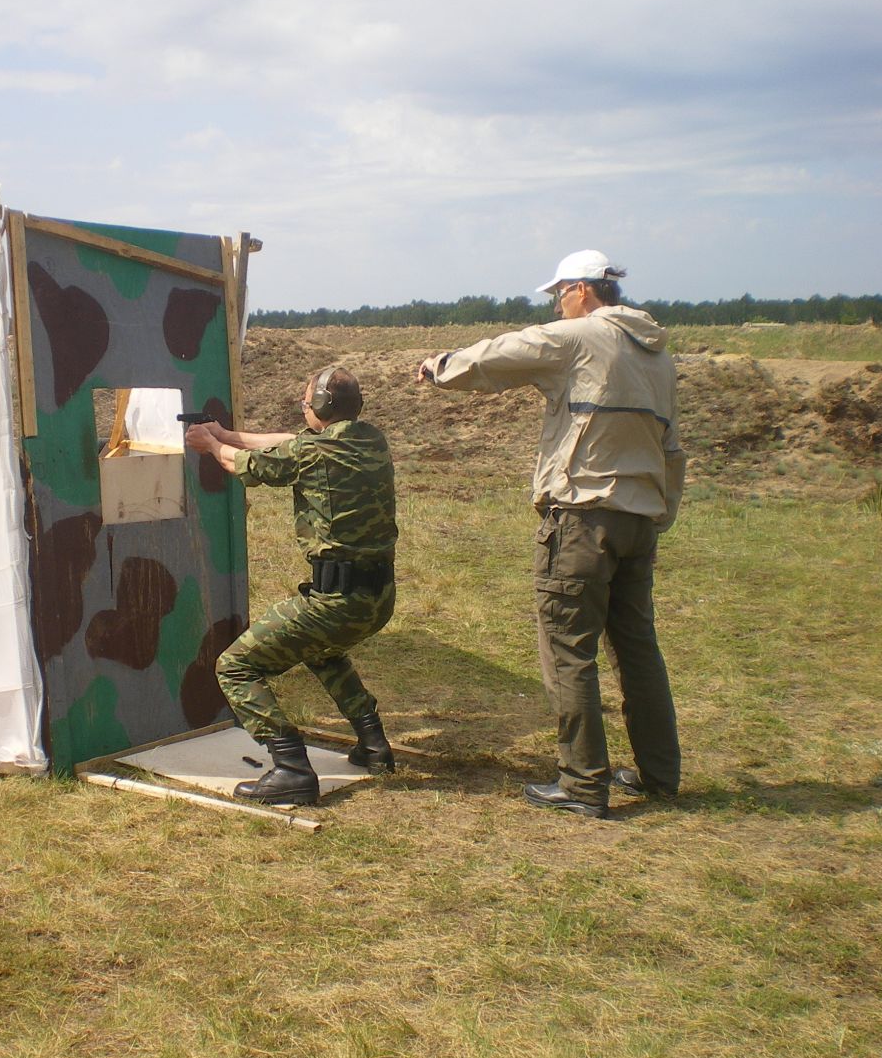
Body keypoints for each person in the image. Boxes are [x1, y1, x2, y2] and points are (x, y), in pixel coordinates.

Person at [418, 249, 686, 819]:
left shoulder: (578, 337)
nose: (555, 304)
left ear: (581, 290)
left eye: (558, 293)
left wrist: (442, 366)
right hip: (639, 520)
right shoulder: (658, 356)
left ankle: (583, 785)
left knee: (569, 652)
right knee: (638, 653)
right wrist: (660, 512)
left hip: (583, 521)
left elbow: (503, 354)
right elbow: (672, 449)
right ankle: (661, 776)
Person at [185, 367, 399, 805]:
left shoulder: (313, 453)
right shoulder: (371, 438)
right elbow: (290, 440)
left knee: (236, 667)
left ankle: (291, 768)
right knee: (322, 651)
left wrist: (211, 445)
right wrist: (226, 431)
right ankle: (373, 745)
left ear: (320, 407)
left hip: (336, 602)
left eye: (306, 404)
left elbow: (241, 464)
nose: (303, 412)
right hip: (378, 598)